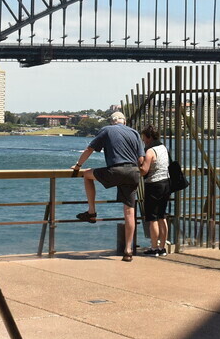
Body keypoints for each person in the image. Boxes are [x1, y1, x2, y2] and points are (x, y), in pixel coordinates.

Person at [70, 111, 144, 262]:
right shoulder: (135, 133)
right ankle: (128, 250)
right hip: (133, 172)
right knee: (129, 212)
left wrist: (78, 165)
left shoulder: (107, 130)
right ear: (124, 121)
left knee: (87, 174)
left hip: (115, 170)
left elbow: (89, 149)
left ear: (112, 121)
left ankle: (91, 212)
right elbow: (141, 159)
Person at [139, 125, 171, 257]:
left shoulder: (150, 151)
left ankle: (154, 248)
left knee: (152, 218)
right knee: (162, 216)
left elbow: (144, 171)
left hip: (154, 185)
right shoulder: (163, 147)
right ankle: (162, 247)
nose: (143, 140)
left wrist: (137, 165)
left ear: (149, 137)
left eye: (144, 138)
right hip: (166, 183)